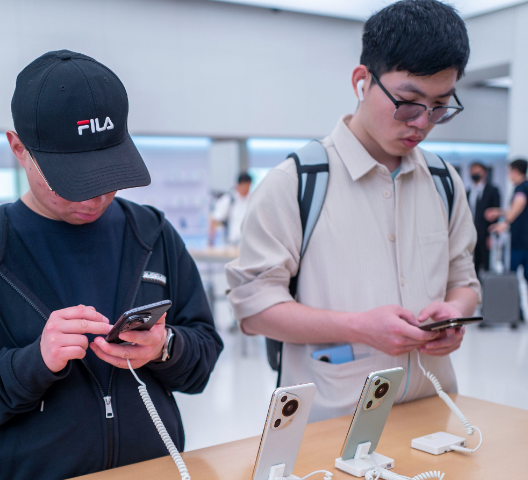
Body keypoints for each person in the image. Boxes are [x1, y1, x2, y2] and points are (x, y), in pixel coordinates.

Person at [0, 50, 223, 480]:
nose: (94, 197)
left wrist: (166, 346)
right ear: (19, 149)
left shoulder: (151, 233)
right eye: (73, 180)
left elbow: (204, 355)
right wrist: (32, 363)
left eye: (108, 175)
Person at [226, 0, 480, 422]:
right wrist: (359, 327)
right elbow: (254, 310)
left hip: (434, 414)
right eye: (409, 102)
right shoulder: (296, 182)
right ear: (362, 80)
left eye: (440, 107)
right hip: (331, 426)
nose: (422, 122)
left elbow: (464, 279)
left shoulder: (443, 180)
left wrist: (455, 311)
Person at [486, 158, 528, 310]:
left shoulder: (520, 189)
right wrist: (500, 212)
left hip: (518, 243)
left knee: (512, 280)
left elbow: (519, 204)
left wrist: (505, 222)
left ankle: (515, 312)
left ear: (515, 171)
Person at [467, 162, 500, 274]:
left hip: (485, 233)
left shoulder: (492, 191)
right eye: (472, 171)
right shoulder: (467, 192)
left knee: (485, 263)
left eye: (477, 171)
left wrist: (492, 235)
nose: (474, 173)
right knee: (471, 263)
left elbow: (495, 213)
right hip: (470, 233)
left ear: (484, 173)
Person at [209, 171, 252, 246]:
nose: (247, 190)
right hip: (231, 244)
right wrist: (211, 242)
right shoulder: (229, 199)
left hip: (248, 244)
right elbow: (214, 219)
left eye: (249, 187)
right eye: (245, 187)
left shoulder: (251, 199)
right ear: (239, 185)